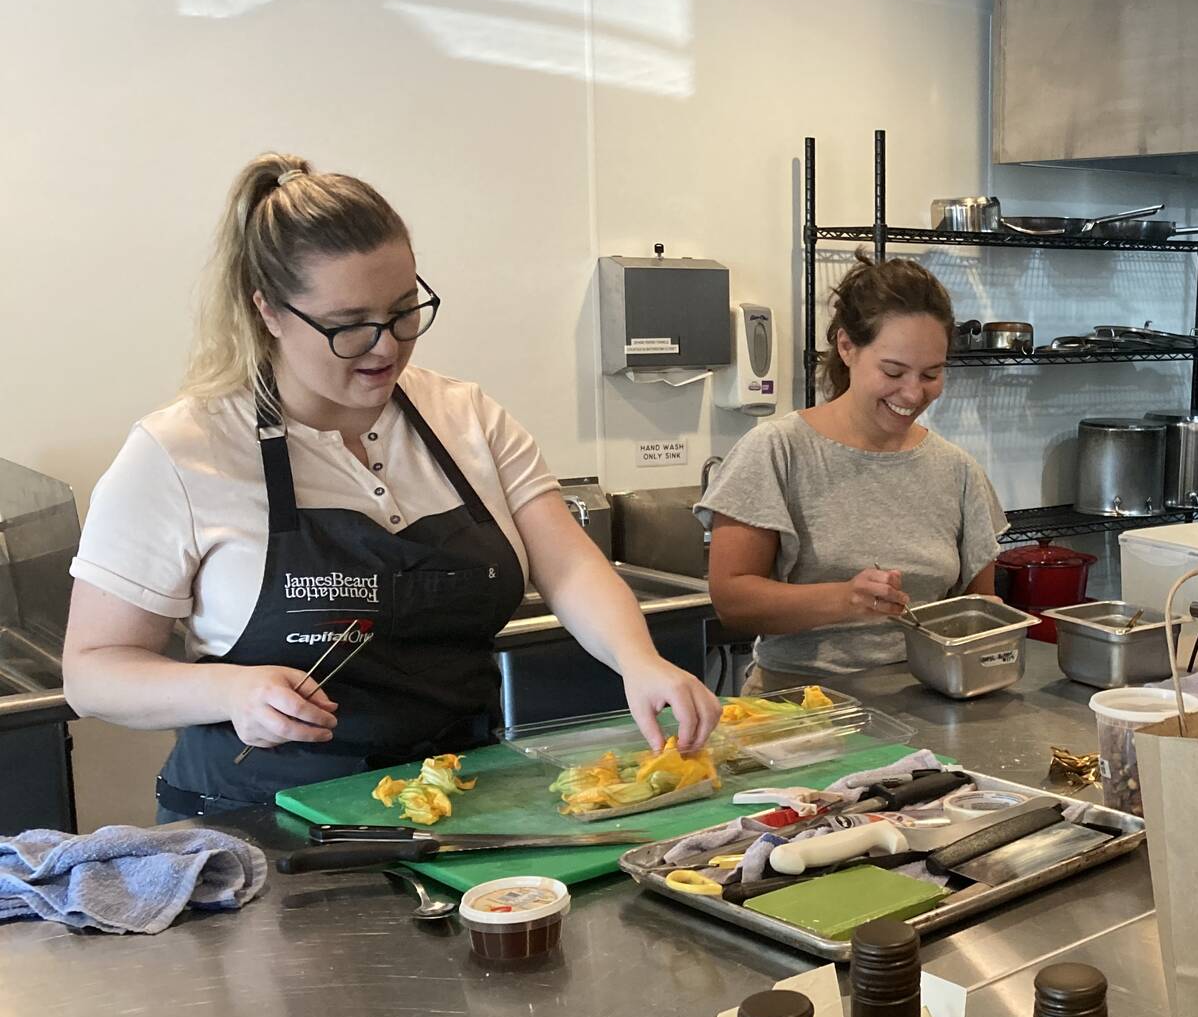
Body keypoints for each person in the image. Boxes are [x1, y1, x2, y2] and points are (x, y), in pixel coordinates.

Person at [63, 154, 719, 822]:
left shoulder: (466, 419)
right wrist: (229, 693)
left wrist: (638, 661)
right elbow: (92, 671)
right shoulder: (182, 451)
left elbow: (570, 563)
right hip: (258, 834)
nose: (385, 347)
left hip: (459, 807)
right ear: (269, 310)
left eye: (404, 311)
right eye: (349, 325)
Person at [703, 256, 1006, 681]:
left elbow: (978, 610)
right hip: (800, 706)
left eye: (932, 374)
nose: (913, 392)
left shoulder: (957, 470)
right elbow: (732, 599)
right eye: (894, 371)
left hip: (930, 700)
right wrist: (844, 599)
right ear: (847, 347)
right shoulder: (778, 451)